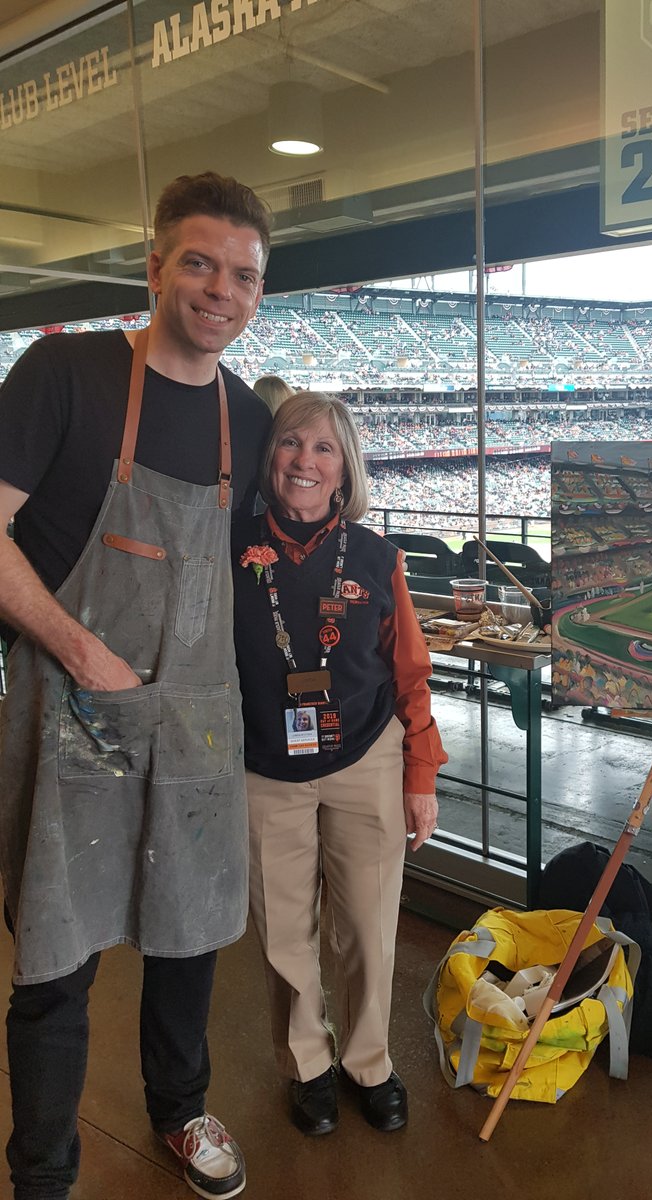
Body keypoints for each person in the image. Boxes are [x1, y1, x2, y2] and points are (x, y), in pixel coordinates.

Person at [0, 172, 273, 1200]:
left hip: (194, 726)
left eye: (242, 274)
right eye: (198, 263)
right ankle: (43, 1171)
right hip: (72, 711)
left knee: (190, 932)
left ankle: (181, 1108)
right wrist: (81, 651)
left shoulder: (246, 425)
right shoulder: (63, 376)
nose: (219, 289)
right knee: (56, 965)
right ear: (154, 266)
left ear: (258, 292)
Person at [232, 391, 447, 1139]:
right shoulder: (233, 547)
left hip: (365, 757)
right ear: (271, 456)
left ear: (344, 467)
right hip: (264, 764)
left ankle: (369, 1063)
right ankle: (307, 1066)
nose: (305, 462)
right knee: (283, 931)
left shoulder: (378, 556)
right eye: (292, 444)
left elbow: (411, 673)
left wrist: (419, 778)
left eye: (324, 448)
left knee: (367, 923)